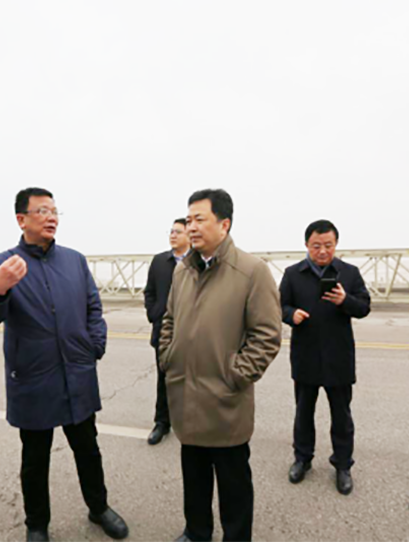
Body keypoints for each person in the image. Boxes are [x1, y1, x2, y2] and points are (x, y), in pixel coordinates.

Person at [0, 187, 128, 542]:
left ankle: (99, 507)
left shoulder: (74, 261)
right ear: (21, 219)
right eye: (42, 211)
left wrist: (94, 347)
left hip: (77, 372)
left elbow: (93, 307)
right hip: (34, 377)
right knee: (35, 459)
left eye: (55, 211)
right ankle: (36, 524)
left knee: (88, 449)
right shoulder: (2, 264)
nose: (51, 217)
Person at [159, 188, 282, 542]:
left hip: (225, 400)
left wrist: (235, 375)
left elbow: (267, 336)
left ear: (224, 224)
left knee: (233, 485)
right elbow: (169, 321)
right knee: (194, 477)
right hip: (186, 395)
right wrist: (168, 357)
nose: (191, 227)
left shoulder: (251, 271)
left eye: (200, 219)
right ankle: (197, 532)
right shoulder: (182, 271)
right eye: (188, 220)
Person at [279, 220, 370, 495]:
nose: (322, 251)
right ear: (306, 245)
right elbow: (279, 305)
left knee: (341, 415)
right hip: (305, 354)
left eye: (328, 245)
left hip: (338, 356)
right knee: (303, 412)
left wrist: (345, 301)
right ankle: (302, 459)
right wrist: (290, 314)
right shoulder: (293, 274)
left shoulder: (349, 273)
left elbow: (364, 307)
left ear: (336, 244)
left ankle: (342, 465)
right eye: (316, 245)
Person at [143, 218, 191, 445]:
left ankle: (191, 423)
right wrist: (154, 314)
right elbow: (150, 291)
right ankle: (162, 422)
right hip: (163, 331)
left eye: (178, 232)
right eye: (171, 231)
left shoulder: (197, 261)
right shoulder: (159, 261)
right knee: (164, 379)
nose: (173, 235)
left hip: (191, 332)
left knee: (193, 379)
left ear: (189, 235)